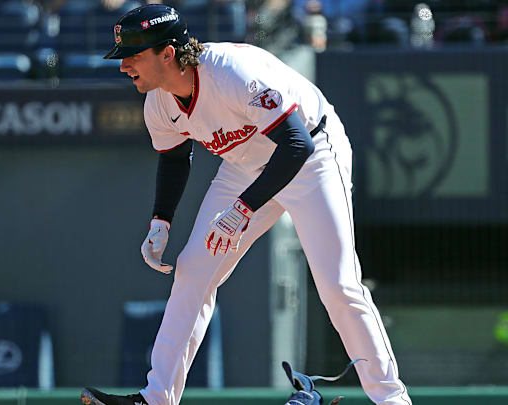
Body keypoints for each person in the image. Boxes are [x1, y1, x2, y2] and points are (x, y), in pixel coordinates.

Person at [80, 4, 412, 405]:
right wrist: (161, 221)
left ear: (167, 53)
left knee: (337, 285)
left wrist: (241, 210)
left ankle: (392, 399)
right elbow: (173, 157)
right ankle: (157, 398)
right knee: (193, 271)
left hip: (313, 154)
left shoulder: (232, 72)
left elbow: (296, 145)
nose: (123, 67)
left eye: (133, 56)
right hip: (245, 164)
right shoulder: (159, 101)